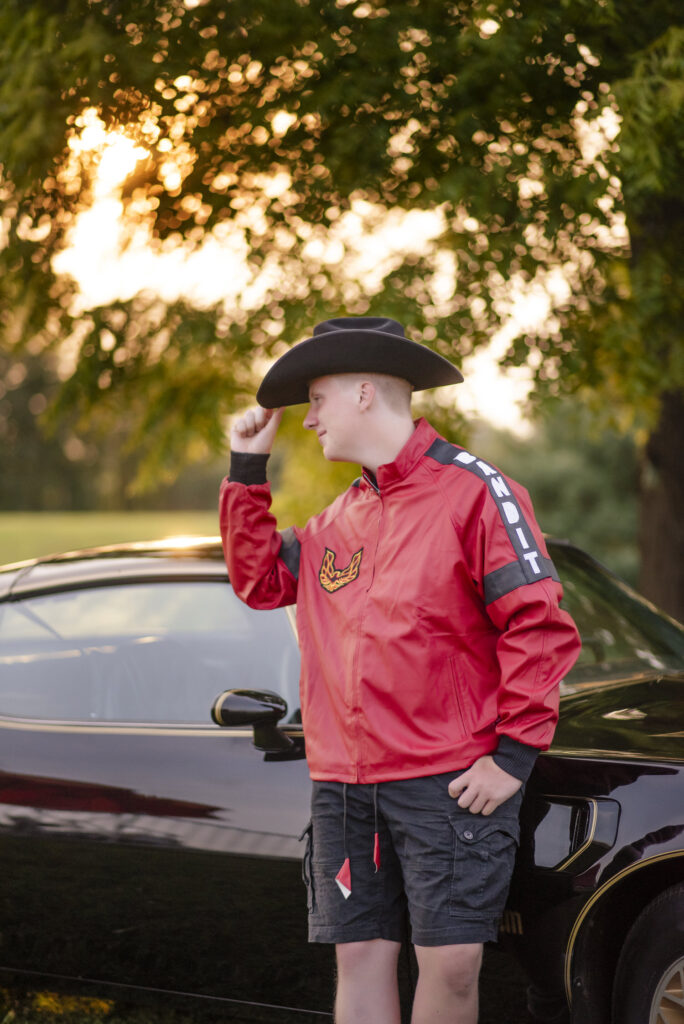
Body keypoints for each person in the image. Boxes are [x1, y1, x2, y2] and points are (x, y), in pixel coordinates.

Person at [219, 316, 581, 1024]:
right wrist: (245, 467)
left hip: (446, 786)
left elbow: (538, 624)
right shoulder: (336, 520)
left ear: (362, 393)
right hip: (346, 788)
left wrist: (512, 755)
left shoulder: (477, 491)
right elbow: (259, 581)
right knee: (357, 958)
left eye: (316, 399)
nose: (309, 419)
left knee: (451, 969)